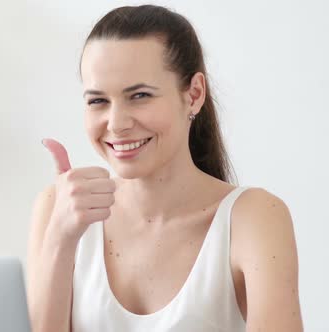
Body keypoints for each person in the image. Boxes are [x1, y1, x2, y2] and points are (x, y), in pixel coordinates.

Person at [26, 5, 303, 332]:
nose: (117, 124)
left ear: (194, 94)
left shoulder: (253, 218)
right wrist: (61, 238)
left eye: (140, 95)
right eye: (98, 100)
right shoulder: (56, 209)